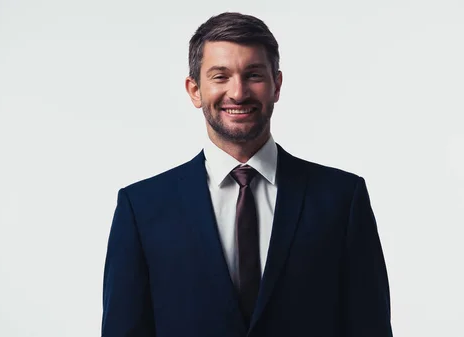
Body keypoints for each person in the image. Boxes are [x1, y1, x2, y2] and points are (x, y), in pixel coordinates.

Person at [102, 12, 393, 337]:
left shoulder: (341, 199)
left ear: (276, 85)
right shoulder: (141, 208)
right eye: (220, 76)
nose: (238, 93)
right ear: (194, 90)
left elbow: (371, 328)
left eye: (253, 75)